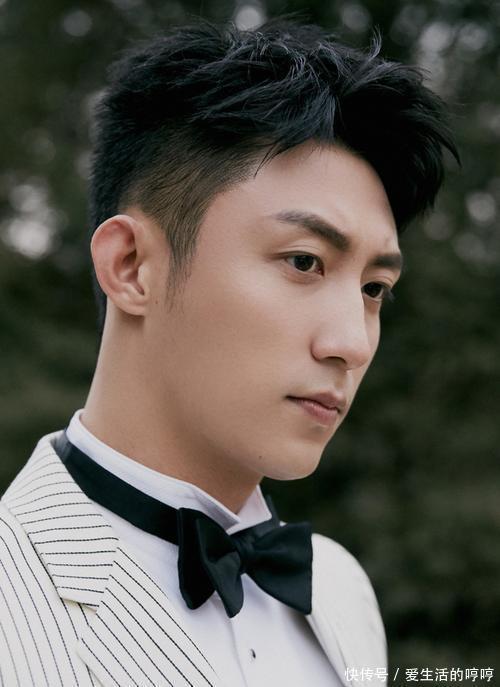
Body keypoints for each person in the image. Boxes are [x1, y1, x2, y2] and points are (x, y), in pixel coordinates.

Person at [0, 18, 457, 687]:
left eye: (373, 289)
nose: (352, 343)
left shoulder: (338, 589)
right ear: (131, 266)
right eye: (304, 261)